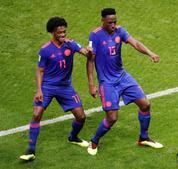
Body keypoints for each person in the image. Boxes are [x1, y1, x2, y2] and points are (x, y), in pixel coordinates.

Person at [86, 8, 163, 155]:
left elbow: (135, 43)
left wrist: (150, 53)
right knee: (112, 118)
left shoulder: (119, 31)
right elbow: (90, 60)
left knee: (145, 105)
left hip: (122, 77)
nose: (113, 25)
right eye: (110, 23)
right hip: (107, 82)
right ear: (102, 21)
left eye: (115, 22)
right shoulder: (95, 35)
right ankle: (94, 141)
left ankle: (143, 138)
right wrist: (91, 84)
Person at [20, 16, 91, 161]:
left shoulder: (70, 44)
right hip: (47, 87)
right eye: (60, 33)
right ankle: (30, 150)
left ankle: (73, 137)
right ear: (53, 32)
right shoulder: (45, 50)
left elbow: (85, 52)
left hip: (65, 87)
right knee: (36, 114)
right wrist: (39, 90)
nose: (63, 35)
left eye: (64, 32)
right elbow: (40, 71)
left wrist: (89, 50)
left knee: (81, 116)